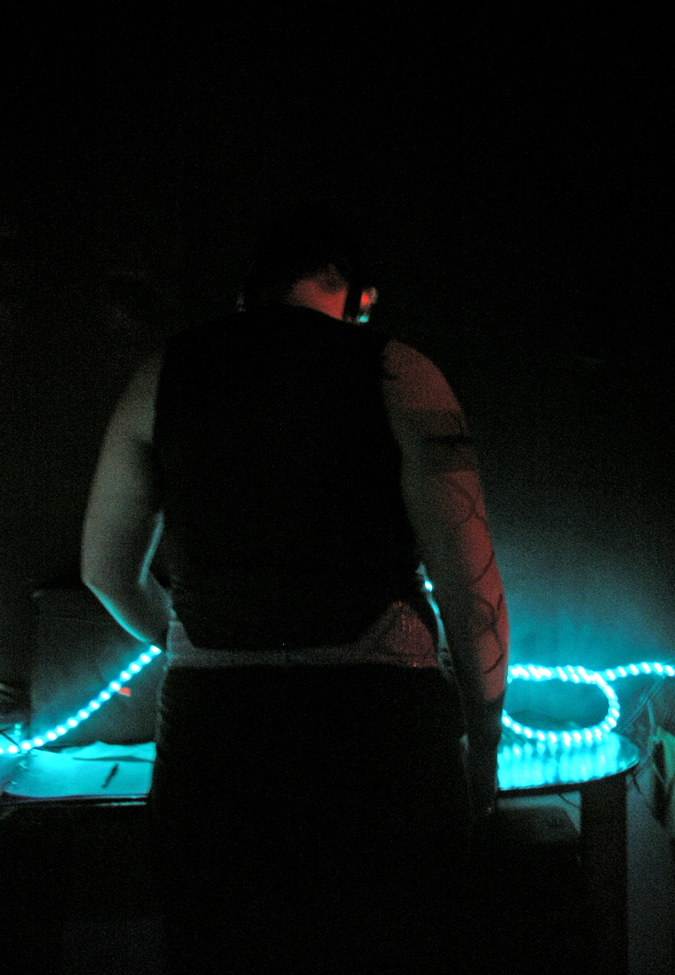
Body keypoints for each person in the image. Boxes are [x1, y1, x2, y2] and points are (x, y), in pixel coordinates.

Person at [81, 208, 509, 973]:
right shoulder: (399, 370)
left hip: (216, 739)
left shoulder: (163, 375)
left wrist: (199, 635)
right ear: (359, 297)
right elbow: (470, 585)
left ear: (248, 294)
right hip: (378, 733)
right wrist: (482, 745)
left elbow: (104, 571)